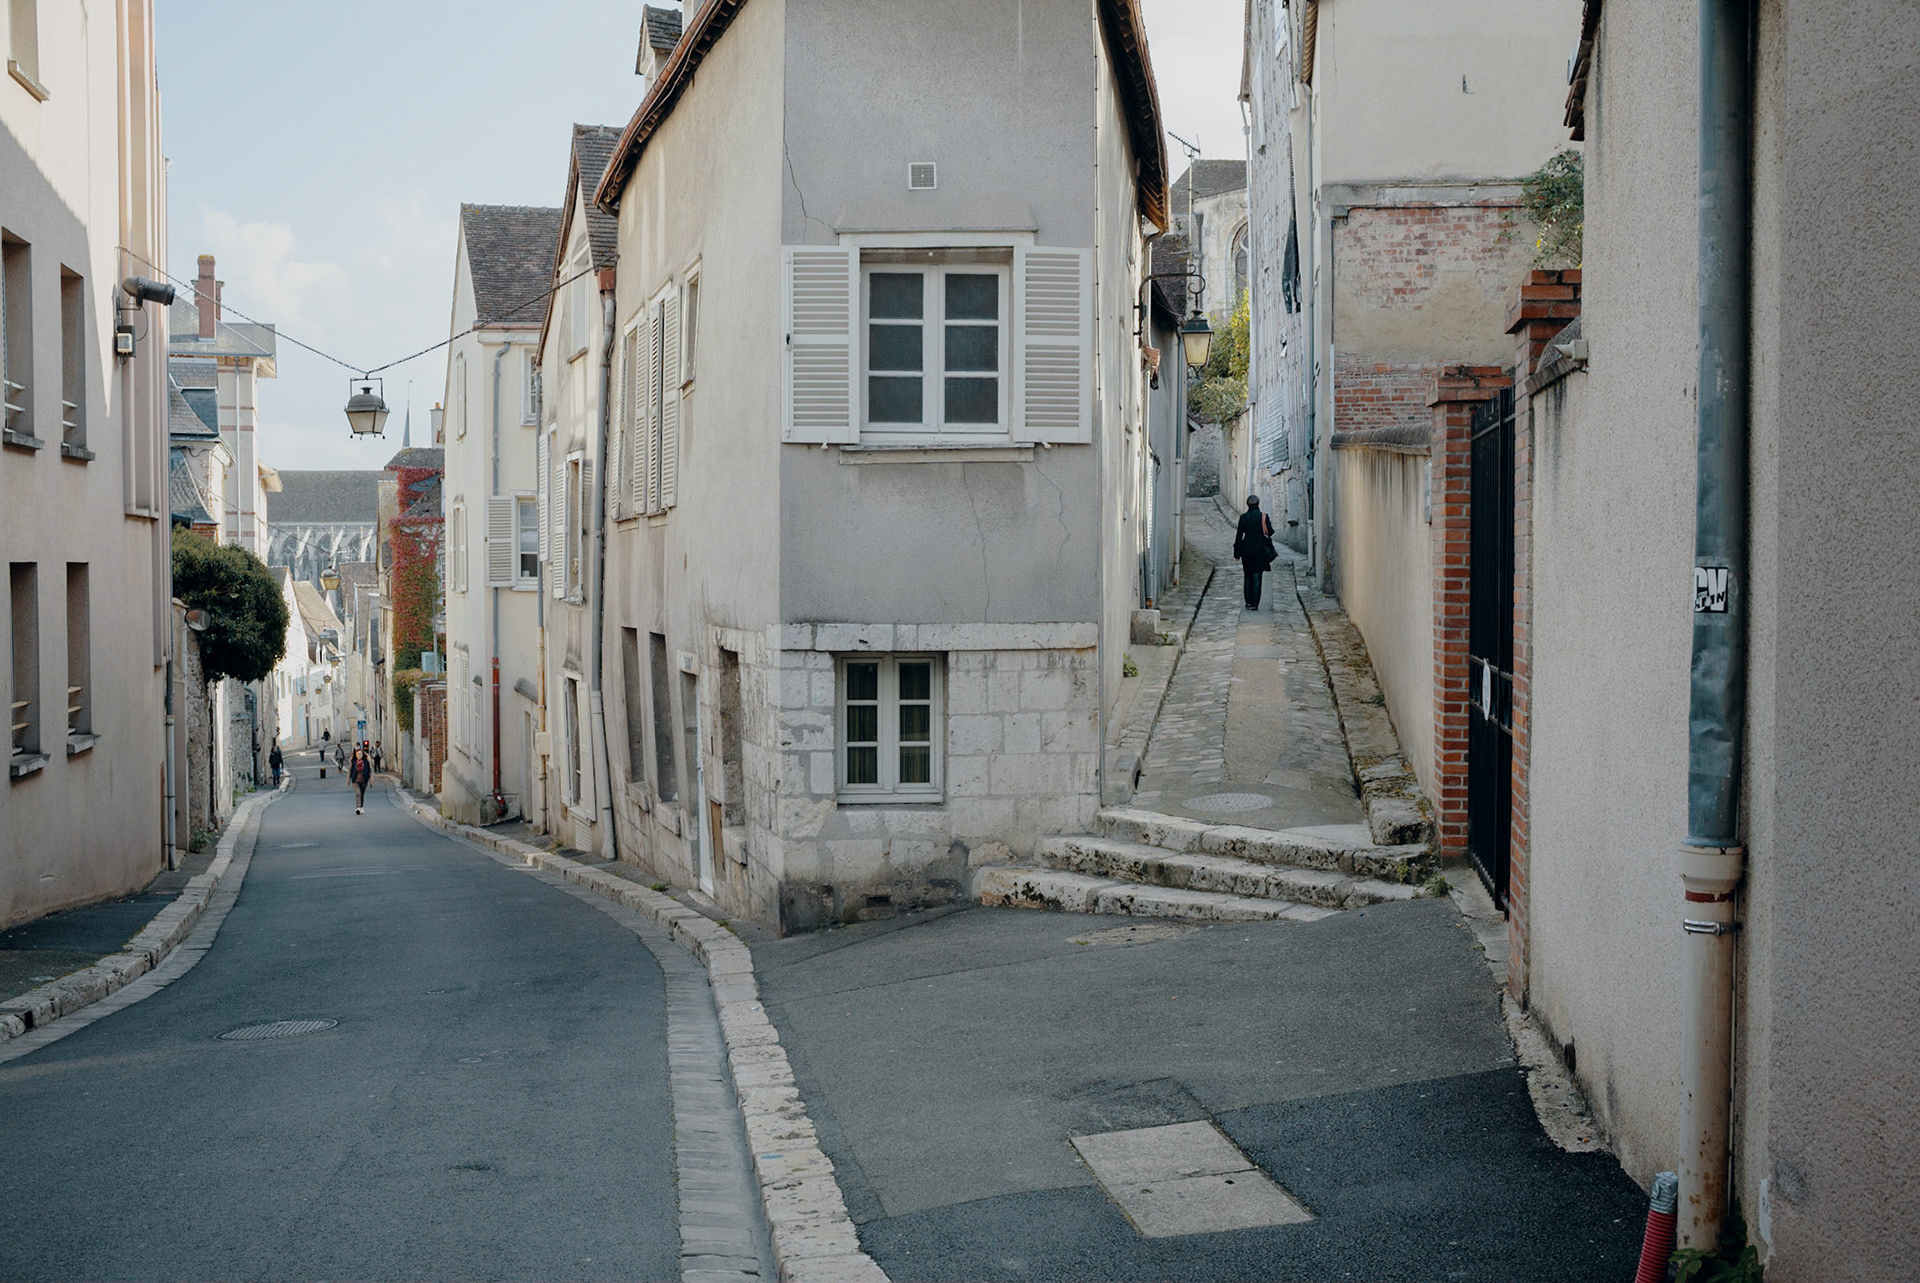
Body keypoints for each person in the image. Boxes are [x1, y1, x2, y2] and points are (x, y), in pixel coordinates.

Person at [1233, 495, 1278, 610]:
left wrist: (1237, 552)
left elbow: (1239, 536)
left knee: (1247, 576)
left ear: (1247, 505)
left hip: (1247, 549)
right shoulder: (1263, 516)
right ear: (1258, 504)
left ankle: (1248, 602)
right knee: (1257, 576)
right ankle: (1255, 604)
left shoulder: (1244, 517)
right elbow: (1270, 532)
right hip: (1260, 550)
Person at [348, 746, 372, 814]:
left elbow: (370, 770)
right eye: (357, 754)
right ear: (355, 755)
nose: (359, 755)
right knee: (358, 794)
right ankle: (358, 807)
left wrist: (371, 779)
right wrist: (348, 781)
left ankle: (361, 807)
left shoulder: (366, 762)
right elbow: (350, 771)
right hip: (355, 781)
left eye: (360, 754)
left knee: (362, 795)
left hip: (364, 780)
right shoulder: (353, 762)